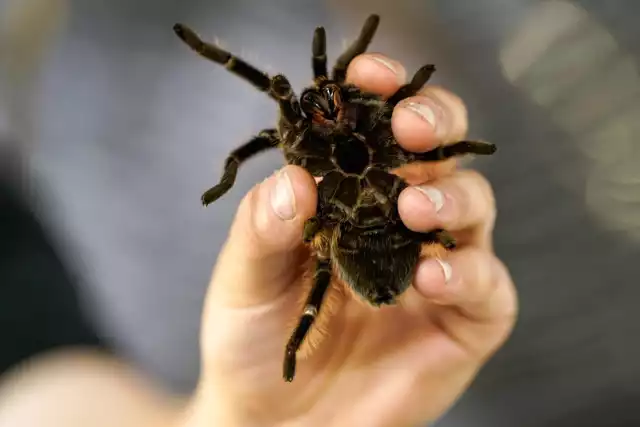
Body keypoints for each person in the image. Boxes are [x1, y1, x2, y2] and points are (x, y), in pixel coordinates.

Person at [0, 52, 517, 427]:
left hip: (475, 371)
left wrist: (412, 103)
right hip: (357, 294)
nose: (326, 108)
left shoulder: (376, 117)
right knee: (322, 261)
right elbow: (29, 360)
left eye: (333, 99)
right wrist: (239, 420)